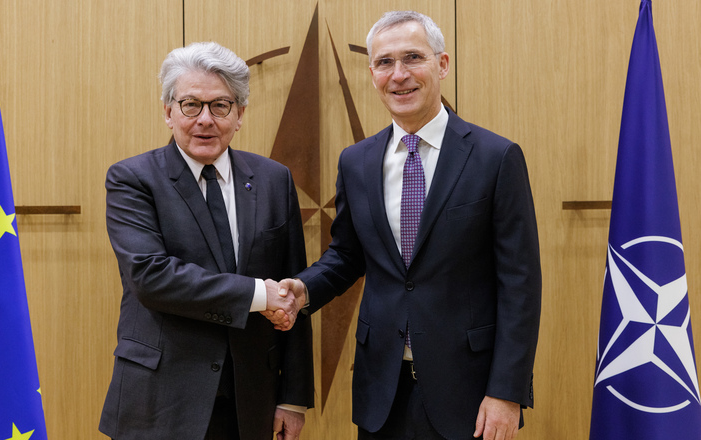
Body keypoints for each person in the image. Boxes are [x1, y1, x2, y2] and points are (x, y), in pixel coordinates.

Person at [268, 10, 541, 440]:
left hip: (470, 394)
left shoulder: (496, 157)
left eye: (413, 57)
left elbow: (520, 285)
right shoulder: (356, 162)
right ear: (372, 72)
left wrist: (507, 393)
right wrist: (305, 290)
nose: (399, 75)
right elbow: (346, 256)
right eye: (384, 62)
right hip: (382, 390)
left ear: (442, 64)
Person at [99, 42, 314, 440]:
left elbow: (293, 287)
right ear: (168, 112)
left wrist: (293, 397)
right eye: (190, 105)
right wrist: (259, 295)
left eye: (220, 106)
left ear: (240, 115)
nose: (205, 120)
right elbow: (151, 276)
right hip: (161, 400)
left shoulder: (273, 179)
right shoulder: (133, 179)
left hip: (252, 401)